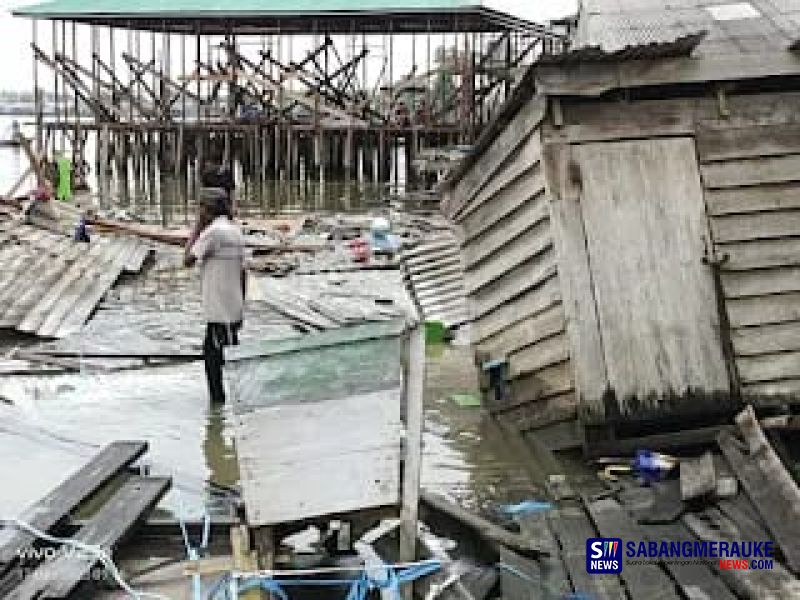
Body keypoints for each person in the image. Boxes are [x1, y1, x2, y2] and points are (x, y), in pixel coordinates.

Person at [184, 187, 246, 404]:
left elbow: (187, 259)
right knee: (230, 359)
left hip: (218, 311)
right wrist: (242, 306)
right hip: (233, 309)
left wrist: (197, 228)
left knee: (213, 362)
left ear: (205, 210)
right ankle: (234, 406)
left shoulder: (213, 233)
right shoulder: (235, 231)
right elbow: (242, 273)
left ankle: (219, 414)